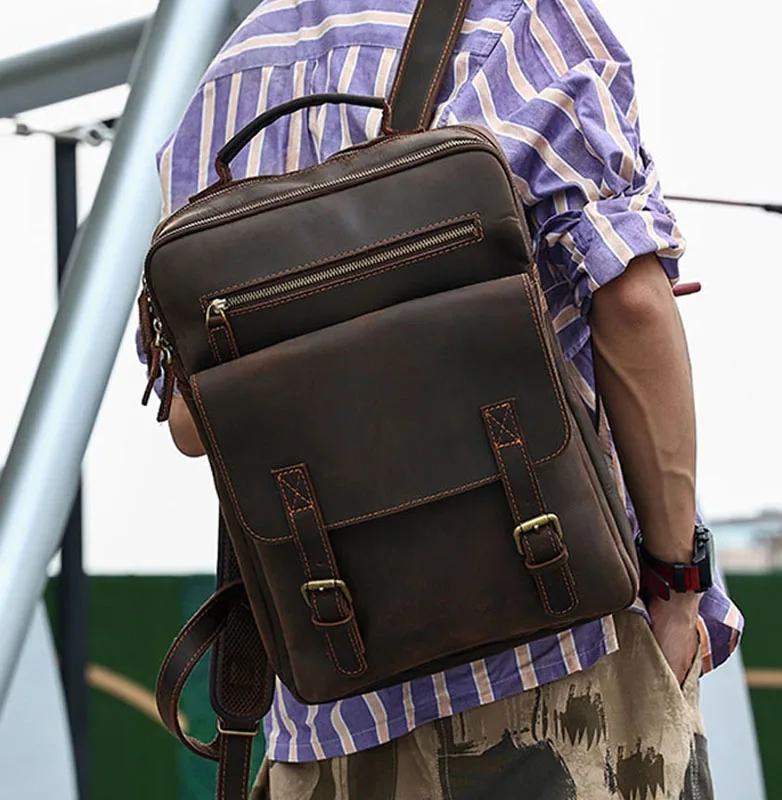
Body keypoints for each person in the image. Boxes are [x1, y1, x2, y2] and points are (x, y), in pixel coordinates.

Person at [147, 1, 743, 797]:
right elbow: (633, 304)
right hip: (559, 668)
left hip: (332, 696)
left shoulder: (230, 80)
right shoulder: (517, 24)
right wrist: (677, 586)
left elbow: (192, 422)